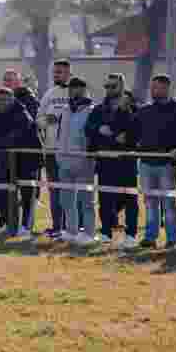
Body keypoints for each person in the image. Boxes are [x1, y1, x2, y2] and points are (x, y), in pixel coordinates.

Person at [85, 75, 139, 248]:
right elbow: (88, 128)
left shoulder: (133, 107)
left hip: (126, 161)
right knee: (105, 199)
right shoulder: (99, 109)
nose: (109, 90)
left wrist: (127, 135)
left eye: (113, 86)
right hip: (105, 161)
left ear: (122, 86)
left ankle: (131, 235)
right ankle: (106, 232)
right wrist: (99, 129)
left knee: (130, 199)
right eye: (106, 86)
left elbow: (139, 129)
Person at [135, 74, 176, 249]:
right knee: (150, 202)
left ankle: (172, 238)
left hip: (167, 164)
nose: (152, 90)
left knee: (169, 203)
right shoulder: (144, 111)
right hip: (146, 163)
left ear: (166, 88)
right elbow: (134, 132)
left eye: (156, 87)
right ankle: (150, 237)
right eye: (152, 87)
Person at [0, 86, 41, 237]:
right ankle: (7, 223)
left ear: (13, 99)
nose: (2, 103)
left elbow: (17, 136)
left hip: (27, 160)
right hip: (5, 160)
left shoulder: (22, 113)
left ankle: (26, 226)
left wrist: (0, 143)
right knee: (4, 194)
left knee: (27, 195)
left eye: (5, 99)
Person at [56, 77, 96, 246]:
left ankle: (88, 232)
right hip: (64, 160)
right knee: (66, 199)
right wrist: (58, 154)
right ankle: (71, 230)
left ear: (85, 89)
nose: (75, 91)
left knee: (85, 200)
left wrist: (88, 155)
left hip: (83, 161)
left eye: (79, 88)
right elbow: (59, 133)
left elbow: (92, 136)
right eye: (72, 88)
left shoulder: (91, 110)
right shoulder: (65, 109)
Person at [37, 59, 72, 238]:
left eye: (60, 72)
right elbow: (39, 119)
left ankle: (72, 226)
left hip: (70, 151)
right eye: (55, 72)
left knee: (70, 189)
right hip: (51, 150)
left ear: (68, 73)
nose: (56, 75)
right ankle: (57, 226)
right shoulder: (49, 94)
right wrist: (46, 121)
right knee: (54, 190)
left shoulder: (77, 92)